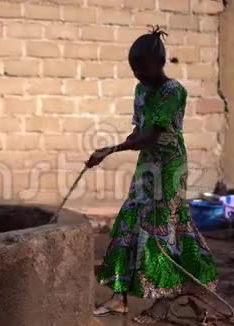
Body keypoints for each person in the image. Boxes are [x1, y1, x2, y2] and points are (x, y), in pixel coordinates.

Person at [86, 26, 218, 324]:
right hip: (147, 167)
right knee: (129, 223)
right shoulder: (141, 90)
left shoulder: (174, 92)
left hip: (169, 168)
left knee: (160, 232)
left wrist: (109, 150)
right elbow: (139, 130)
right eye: (135, 70)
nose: (139, 76)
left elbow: (150, 135)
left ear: (160, 62)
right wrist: (120, 145)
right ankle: (119, 297)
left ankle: (165, 301)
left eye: (143, 69)